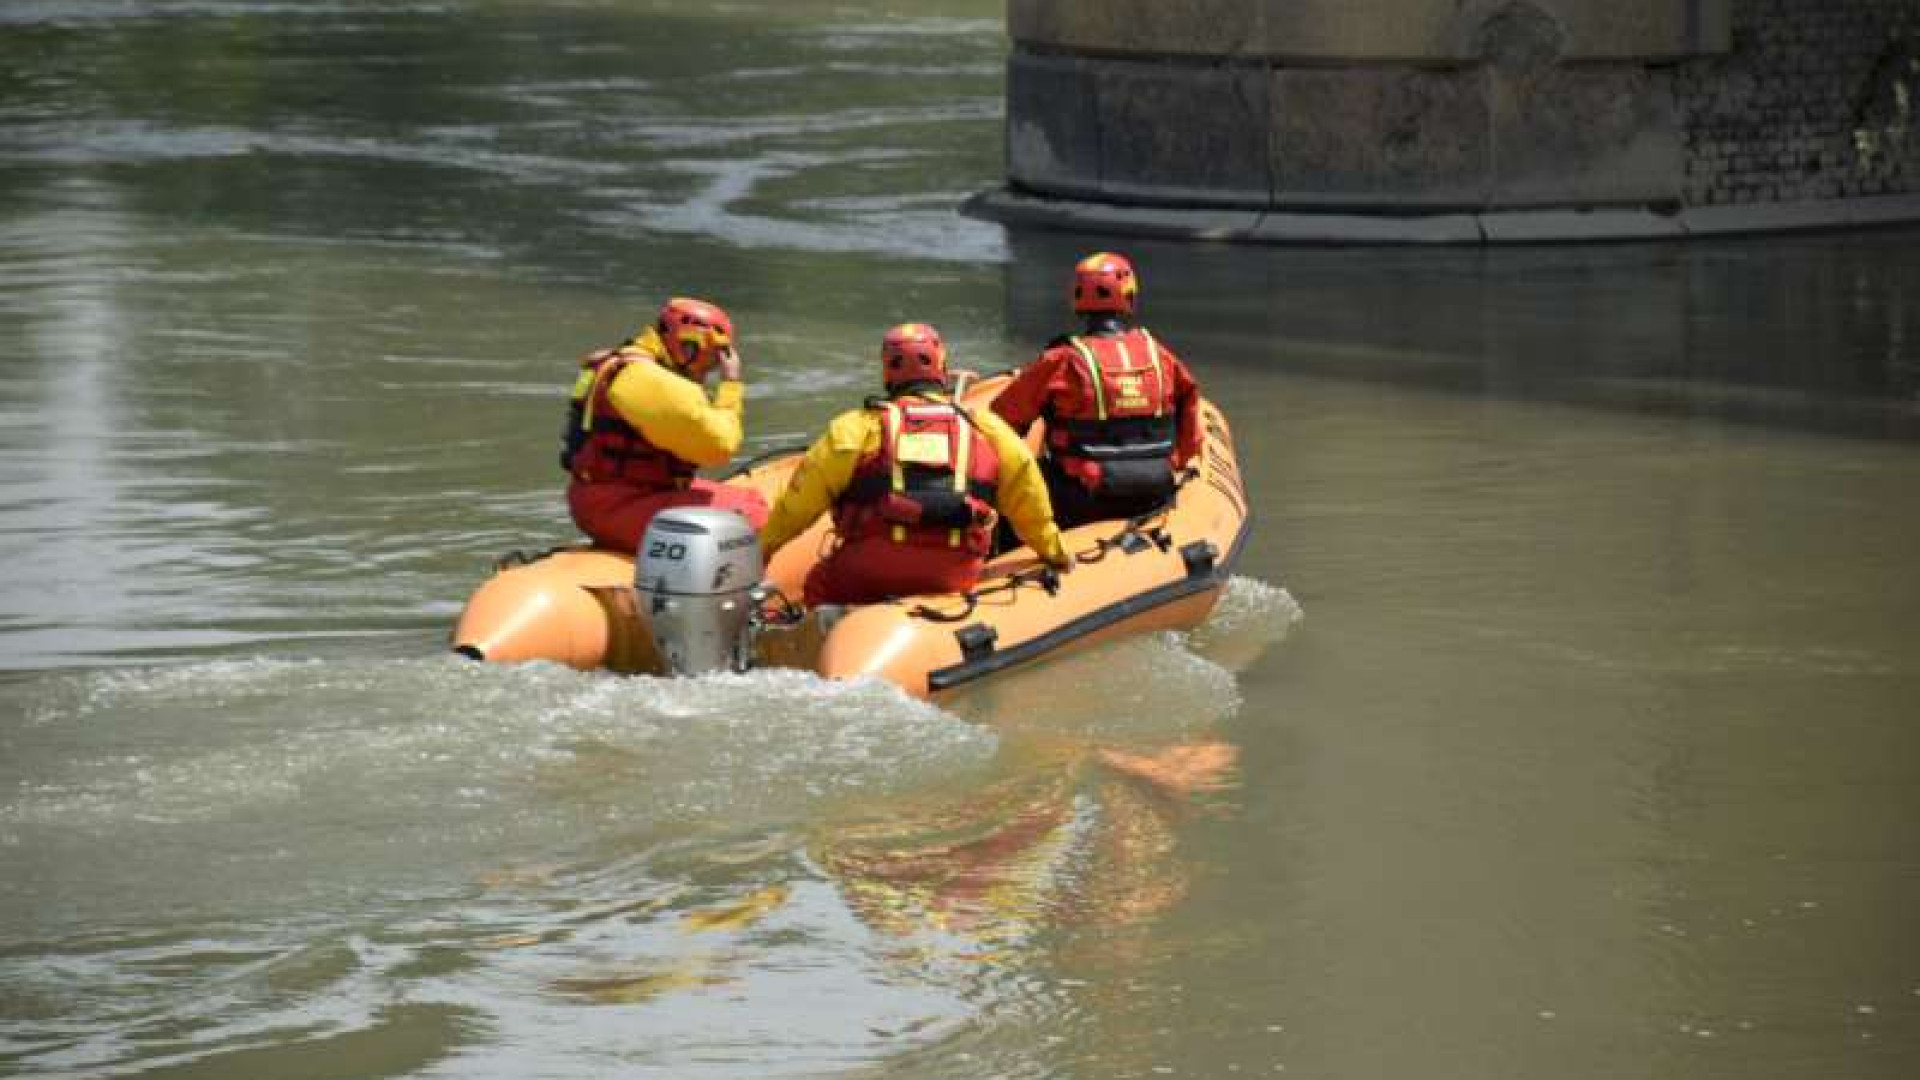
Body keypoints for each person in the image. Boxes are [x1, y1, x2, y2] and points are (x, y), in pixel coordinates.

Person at [759, 323, 1069, 607]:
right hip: (952, 574)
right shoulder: (987, 428)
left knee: (815, 588)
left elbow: (796, 506)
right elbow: (1030, 499)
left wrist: (763, 549)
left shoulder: (854, 428)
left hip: (866, 571)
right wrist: (1053, 552)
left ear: (887, 373)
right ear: (942, 368)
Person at [990, 252, 1203, 529]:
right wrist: (1178, 460)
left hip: (1083, 498)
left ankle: (1000, 560)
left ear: (1077, 299)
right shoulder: (1159, 355)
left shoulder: (1062, 360)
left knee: (1014, 491)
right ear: (1129, 296)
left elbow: (1000, 421)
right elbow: (1191, 415)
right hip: (1156, 490)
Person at [561, 296, 769, 551]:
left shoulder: (619, 361)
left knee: (748, 498)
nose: (708, 372)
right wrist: (731, 385)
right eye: (711, 360)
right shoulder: (649, 382)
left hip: (608, 496)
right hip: (619, 507)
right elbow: (721, 447)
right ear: (689, 348)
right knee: (752, 514)